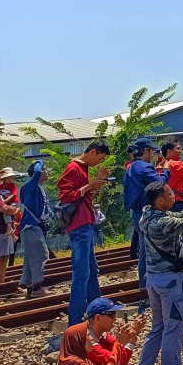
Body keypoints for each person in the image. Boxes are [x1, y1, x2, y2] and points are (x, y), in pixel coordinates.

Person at [138, 173, 183, 365]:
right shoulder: (163, 223)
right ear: (160, 200)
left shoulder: (150, 216)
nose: (172, 196)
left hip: (153, 280)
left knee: (158, 328)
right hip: (170, 283)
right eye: (169, 193)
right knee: (173, 330)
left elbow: (181, 215)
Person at [59, 139, 111, 325]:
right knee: (82, 272)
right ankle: (75, 319)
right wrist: (91, 185)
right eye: (100, 158)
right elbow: (65, 195)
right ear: (93, 152)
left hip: (85, 223)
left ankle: (97, 310)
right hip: (80, 225)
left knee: (90, 269)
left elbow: (82, 194)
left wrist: (98, 181)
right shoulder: (74, 167)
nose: (99, 162)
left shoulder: (83, 168)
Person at [124, 140, 164, 287]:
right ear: (146, 150)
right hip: (147, 213)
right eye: (153, 152)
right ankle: (151, 287)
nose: (154, 155)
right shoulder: (144, 167)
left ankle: (144, 286)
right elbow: (159, 184)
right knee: (152, 252)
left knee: (143, 252)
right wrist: (165, 172)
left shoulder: (132, 166)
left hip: (136, 212)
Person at [57, 298, 144, 365]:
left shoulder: (102, 335)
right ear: (98, 318)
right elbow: (117, 362)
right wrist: (120, 344)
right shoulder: (87, 341)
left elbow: (120, 359)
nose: (115, 319)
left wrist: (130, 337)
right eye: (111, 315)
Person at [18, 160, 52, 296]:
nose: (46, 171)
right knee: (41, 254)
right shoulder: (30, 185)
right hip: (30, 226)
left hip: (34, 226)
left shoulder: (39, 188)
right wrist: (40, 161)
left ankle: (30, 286)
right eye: (44, 169)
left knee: (30, 257)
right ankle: (37, 287)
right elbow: (37, 171)